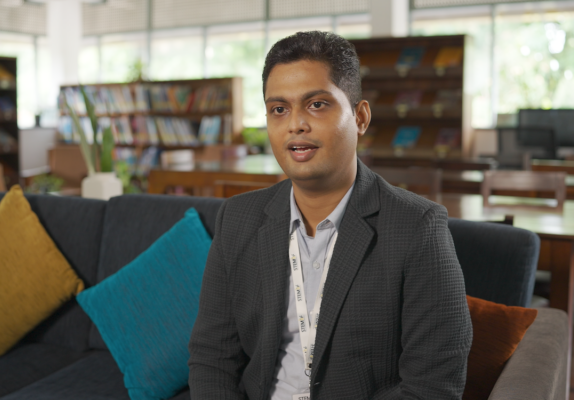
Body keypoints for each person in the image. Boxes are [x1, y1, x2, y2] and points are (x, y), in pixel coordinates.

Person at [188, 31, 472, 399]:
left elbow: (434, 386)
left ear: (360, 117)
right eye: (279, 109)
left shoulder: (418, 228)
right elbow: (212, 357)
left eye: (317, 104)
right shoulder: (239, 217)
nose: (295, 125)